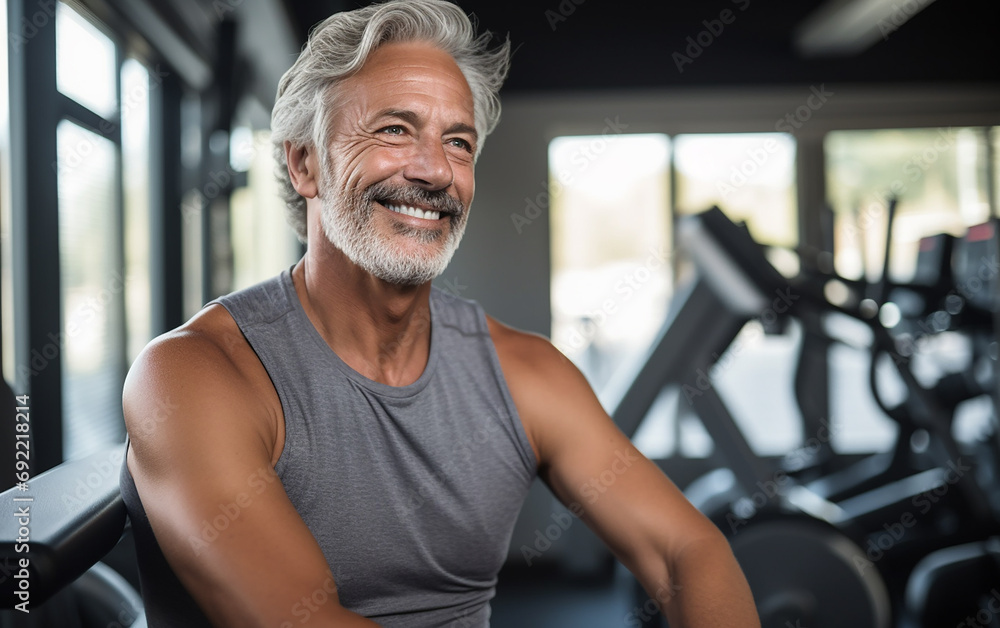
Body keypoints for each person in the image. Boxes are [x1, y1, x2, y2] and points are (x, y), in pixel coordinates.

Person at [120, 1, 761, 626]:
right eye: (395, 130)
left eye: (457, 142)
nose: (434, 171)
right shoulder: (194, 376)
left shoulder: (524, 372)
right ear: (304, 162)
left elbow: (687, 552)